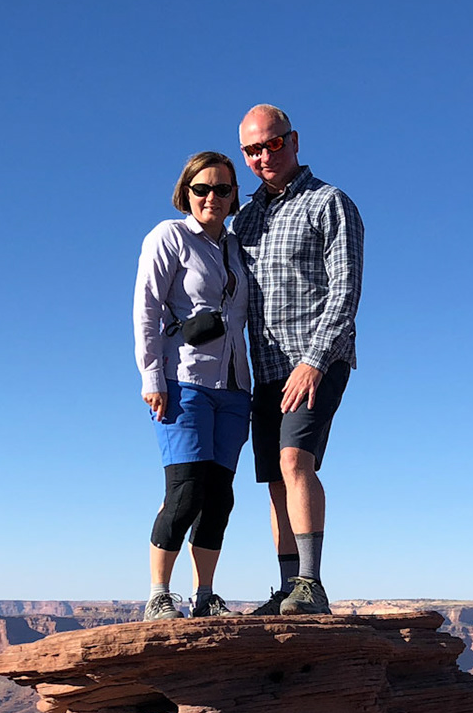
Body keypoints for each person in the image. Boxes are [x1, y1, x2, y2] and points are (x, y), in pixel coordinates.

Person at [232, 105, 364, 615]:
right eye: (253, 150)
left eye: (274, 143)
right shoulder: (245, 219)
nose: (265, 156)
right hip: (263, 369)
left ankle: (311, 584)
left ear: (295, 140)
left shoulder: (329, 203)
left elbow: (346, 291)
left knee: (295, 461)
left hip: (317, 359)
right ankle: (288, 586)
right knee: (273, 477)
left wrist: (313, 360)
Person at [133, 151, 252, 620]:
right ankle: (159, 594)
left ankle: (205, 595)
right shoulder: (170, 236)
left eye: (223, 189)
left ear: (232, 196)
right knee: (184, 491)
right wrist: (150, 376)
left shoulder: (235, 249)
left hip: (234, 387)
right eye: (202, 189)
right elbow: (146, 307)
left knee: (219, 496)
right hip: (183, 381)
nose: (212, 198)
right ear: (187, 192)